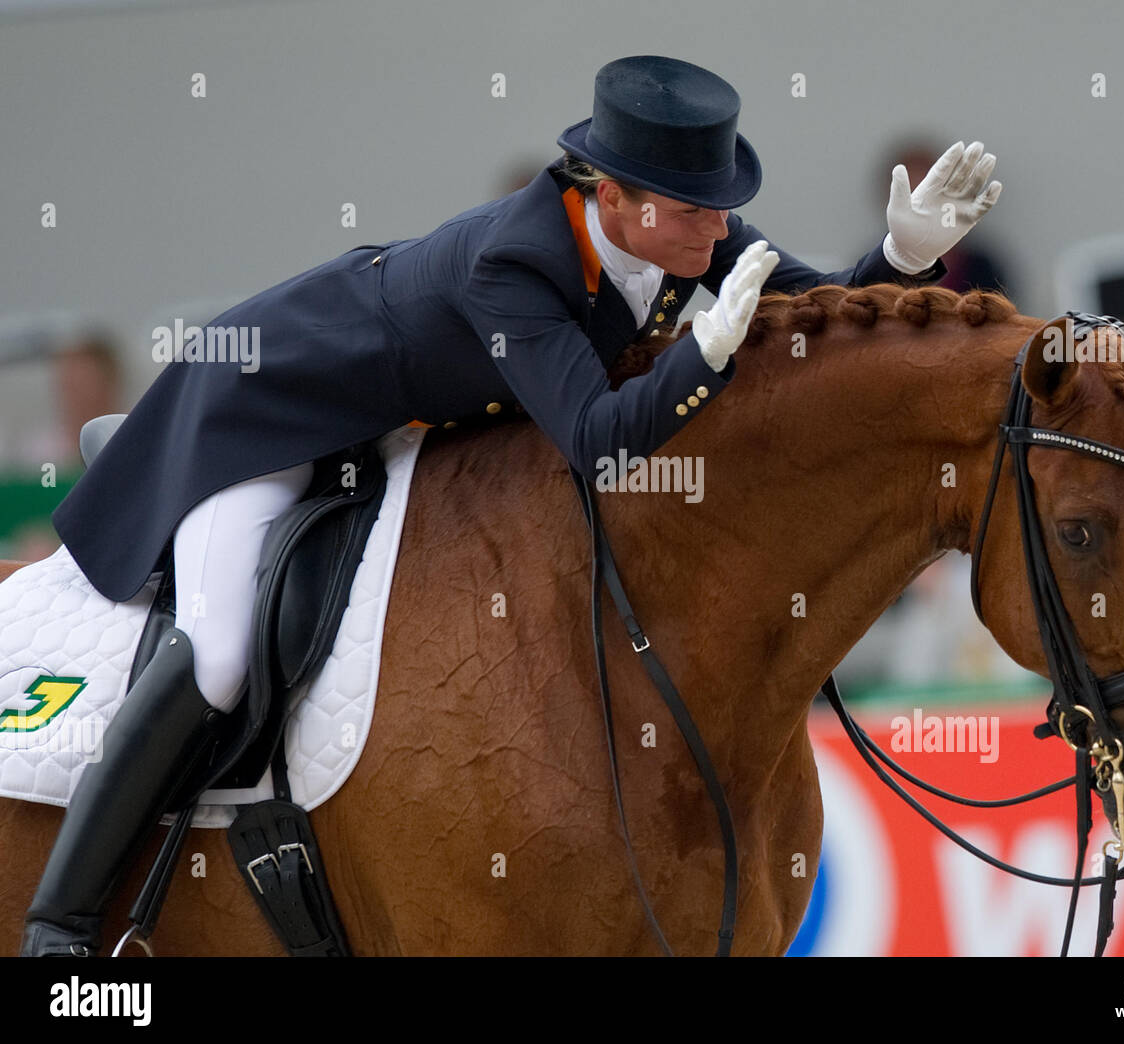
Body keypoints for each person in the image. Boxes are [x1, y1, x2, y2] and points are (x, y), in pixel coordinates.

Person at [21, 54, 1001, 956]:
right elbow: (596, 441)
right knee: (221, 652)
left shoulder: (680, 225)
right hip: (263, 416)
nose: (720, 231)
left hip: (384, 427)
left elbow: (809, 310)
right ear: (610, 197)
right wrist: (703, 362)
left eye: (721, 212)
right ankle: (60, 921)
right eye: (697, 214)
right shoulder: (515, 266)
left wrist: (898, 256)